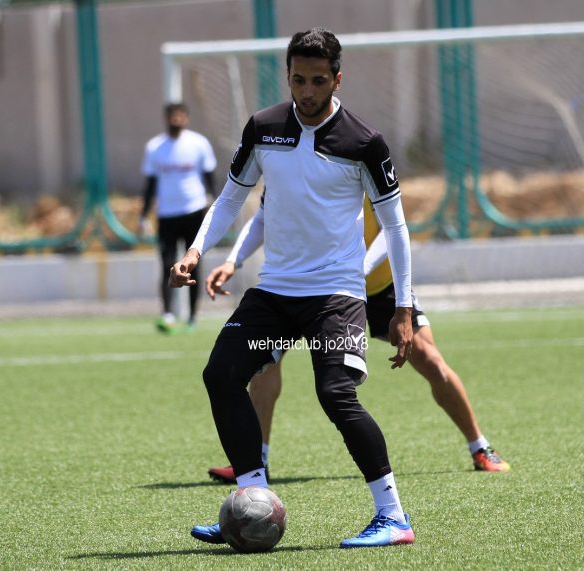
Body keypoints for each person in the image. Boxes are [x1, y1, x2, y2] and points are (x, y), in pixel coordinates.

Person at [169, 27, 416, 548]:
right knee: (221, 375)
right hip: (276, 293)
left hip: (335, 295)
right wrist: (197, 249)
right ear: (288, 76)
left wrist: (404, 307)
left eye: (318, 81)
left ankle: (393, 516)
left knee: (336, 393)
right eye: (298, 79)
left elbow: (396, 226)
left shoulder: (364, 142)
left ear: (337, 79)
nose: (307, 91)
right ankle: (253, 503)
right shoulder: (264, 128)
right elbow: (231, 198)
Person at [205, 196, 510, 486]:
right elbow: (263, 216)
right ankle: (255, 458)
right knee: (265, 361)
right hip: (315, 288)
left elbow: (392, 228)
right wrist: (233, 260)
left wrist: (357, 270)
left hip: (377, 285)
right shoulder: (291, 166)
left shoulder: (360, 163)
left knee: (429, 359)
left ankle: (480, 446)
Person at [139, 102, 217, 333]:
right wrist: (144, 215)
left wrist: (215, 205)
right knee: (167, 264)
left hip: (194, 211)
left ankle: (192, 317)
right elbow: (150, 183)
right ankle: (168, 314)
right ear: (166, 118)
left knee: (192, 265)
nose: (176, 120)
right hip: (166, 215)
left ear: (186, 118)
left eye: (180, 116)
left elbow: (210, 177)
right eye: (172, 116)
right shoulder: (155, 147)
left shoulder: (199, 143)